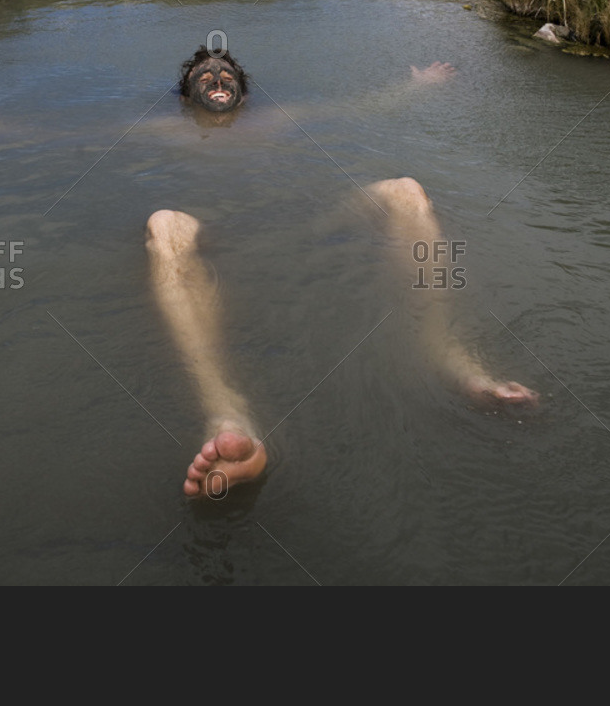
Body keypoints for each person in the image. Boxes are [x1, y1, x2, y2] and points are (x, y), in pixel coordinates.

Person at [150, 46, 538, 499]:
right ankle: (227, 416)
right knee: (164, 225)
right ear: (184, 96)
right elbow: (59, 138)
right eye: (205, 75)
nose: (217, 79)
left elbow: (363, 106)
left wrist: (418, 86)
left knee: (404, 191)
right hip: (216, 235)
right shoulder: (161, 130)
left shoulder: (276, 120)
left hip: (306, 222)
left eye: (226, 74)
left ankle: (451, 355)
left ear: (245, 92)